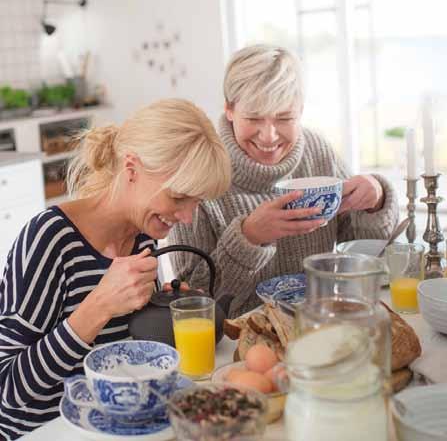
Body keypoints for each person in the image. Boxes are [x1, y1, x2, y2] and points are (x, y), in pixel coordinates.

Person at [0, 99, 231, 440]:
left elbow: (125, 350)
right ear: (132, 168)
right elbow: (8, 390)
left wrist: (161, 309)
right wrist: (99, 306)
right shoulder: (48, 238)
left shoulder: (143, 238)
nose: (187, 217)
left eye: (196, 203)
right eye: (179, 197)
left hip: (117, 426)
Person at [169, 45, 399, 317]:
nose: (269, 136)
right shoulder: (199, 170)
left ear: (300, 111)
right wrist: (248, 238)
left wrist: (376, 199)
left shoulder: (317, 151)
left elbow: (370, 256)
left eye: (284, 118)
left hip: (321, 320)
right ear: (229, 109)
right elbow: (192, 302)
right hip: (237, 341)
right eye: (254, 118)